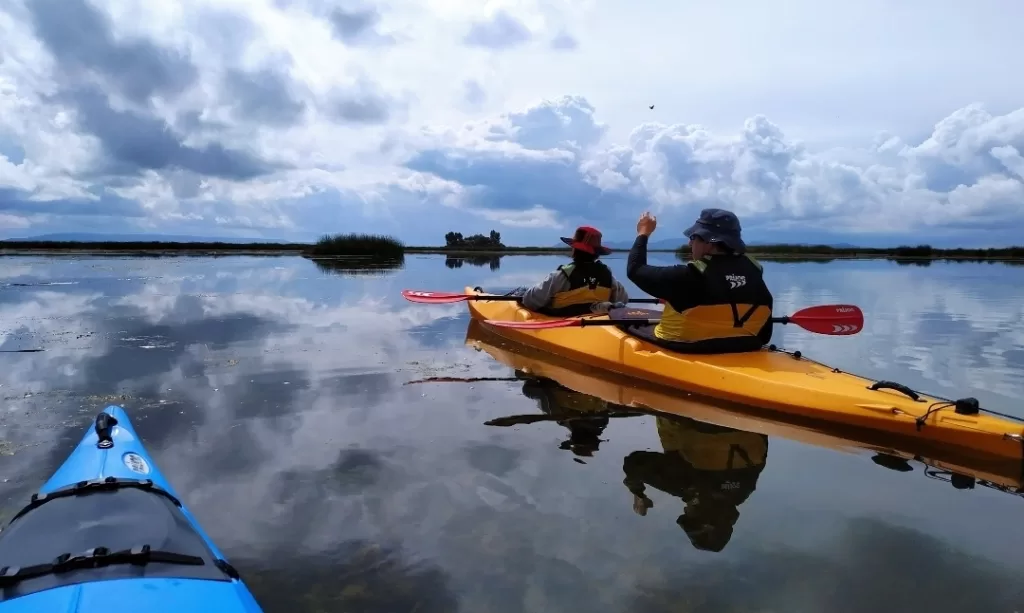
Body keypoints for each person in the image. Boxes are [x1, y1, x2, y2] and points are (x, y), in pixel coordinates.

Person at [624, 208, 774, 353]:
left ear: (708, 242)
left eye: (693, 238)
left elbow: (635, 269)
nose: (690, 244)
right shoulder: (755, 271)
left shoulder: (688, 275)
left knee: (621, 318)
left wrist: (643, 233)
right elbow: (765, 335)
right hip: (745, 346)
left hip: (686, 347)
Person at [518, 225, 630, 316]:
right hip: (596, 321)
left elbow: (530, 301)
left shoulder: (561, 275)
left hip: (564, 322)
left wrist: (523, 294)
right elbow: (623, 300)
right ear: (596, 254)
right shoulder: (608, 276)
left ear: (575, 250)